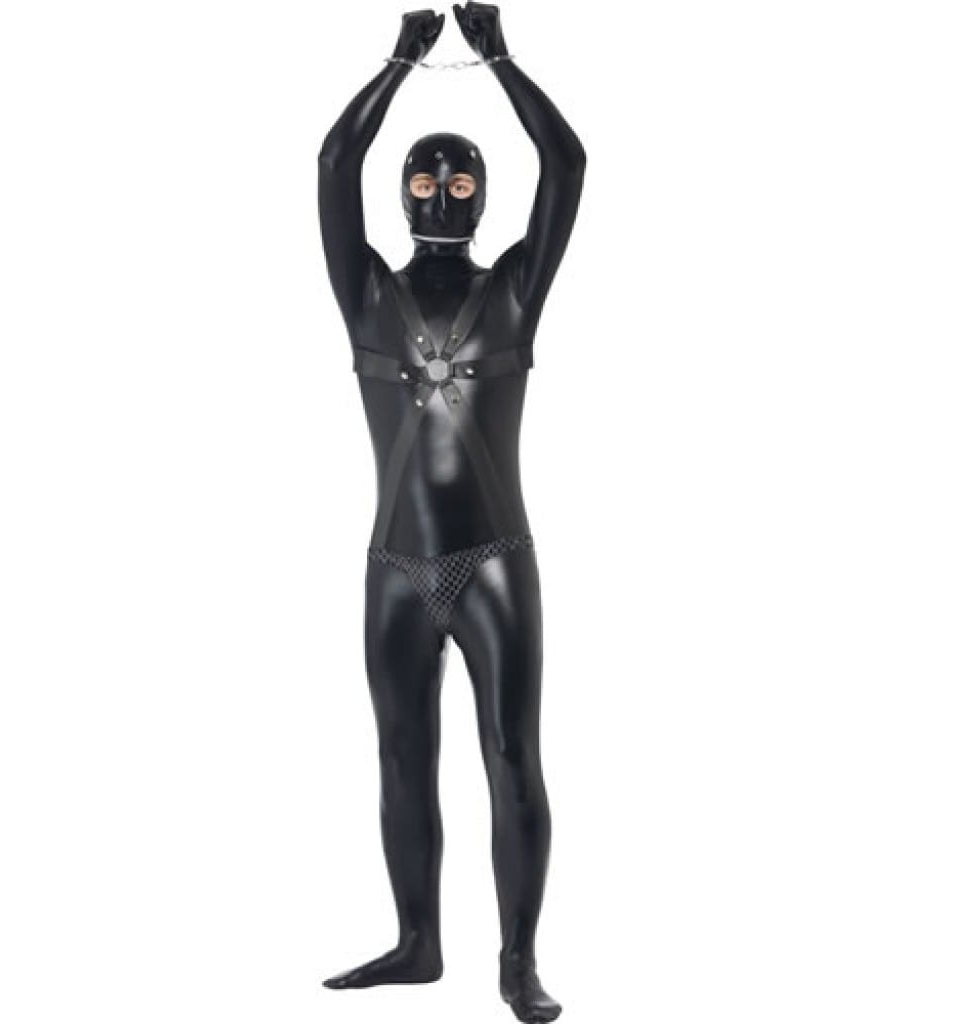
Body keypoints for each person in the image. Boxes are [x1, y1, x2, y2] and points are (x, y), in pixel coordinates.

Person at [316, 4, 585, 1021]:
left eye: (460, 180)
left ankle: (517, 962)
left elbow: (568, 164)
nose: (439, 192)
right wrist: (399, 61)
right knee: (400, 758)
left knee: (512, 757)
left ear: (483, 195)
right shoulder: (364, 292)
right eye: (425, 180)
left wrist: (500, 58)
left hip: (494, 563)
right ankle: (417, 942)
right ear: (402, 193)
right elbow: (333, 164)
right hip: (394, 565)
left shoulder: (515, 288)